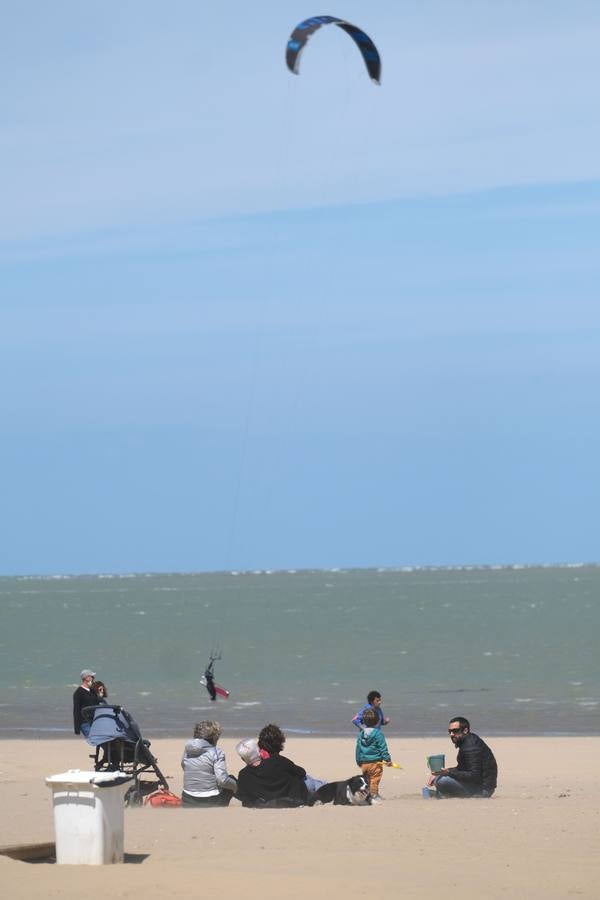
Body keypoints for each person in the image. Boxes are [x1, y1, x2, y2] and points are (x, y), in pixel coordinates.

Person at [235, 724, 310, 808]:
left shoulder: (243, 775)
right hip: (291, 798)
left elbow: (244, 799)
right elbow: (301, 773)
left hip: (267, 800)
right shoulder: (278, 761)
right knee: (310, 780)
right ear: (259, 750)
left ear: (243, 759)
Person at [426, 717, 498, 799]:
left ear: (465, 730)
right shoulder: (467, 742)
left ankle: (443, 794)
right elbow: (463, 769)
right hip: (479, 785)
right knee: (439, 778)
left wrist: (448, 772)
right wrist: (443, 772)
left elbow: (474, 776)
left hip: (483, 790)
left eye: (455, 731)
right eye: (450, 731)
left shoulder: (471, 746)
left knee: (442, 781)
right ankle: (443, 794)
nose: (451, 734)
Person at [181, 720, 237, 807]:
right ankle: (248, 801)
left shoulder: (188, 749)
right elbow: (222, 780)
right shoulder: (216, 752)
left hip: (187, 797)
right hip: (210, 800)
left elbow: (184, 765)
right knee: (231, 780)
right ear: (215, 737)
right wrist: (236, 787)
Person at [355, 707, 392, 802]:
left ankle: (368, 795)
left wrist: (359, 761)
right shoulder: (378, 734)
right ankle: (374, 795)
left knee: (367, 780)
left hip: (364, 763)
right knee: (375, 779)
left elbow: (358, 749)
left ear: (363, 721)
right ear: (377, 721)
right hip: (375, 762)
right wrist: (387, 759)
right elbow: (383, 748)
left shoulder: (361, 734)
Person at [73, 669, 99, 738]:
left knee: (101, 741)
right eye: (92, 676)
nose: (93, 678)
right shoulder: (78, 693)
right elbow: (76, 710)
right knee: (94, 739)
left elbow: (98, 704)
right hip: (85, 723)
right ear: (86, 678)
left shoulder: (93, 691)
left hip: (95, 721)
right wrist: (77, 729)